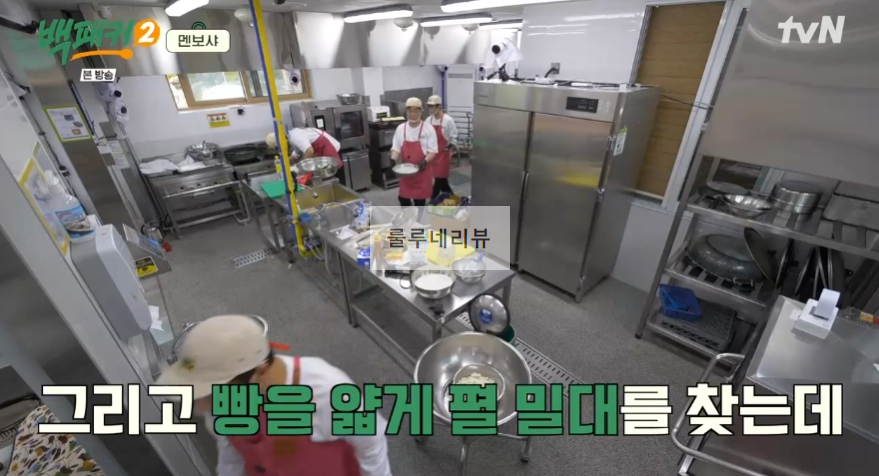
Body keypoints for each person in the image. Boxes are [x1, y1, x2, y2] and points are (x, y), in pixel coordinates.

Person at [157, 315, 392, 476]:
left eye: (210, 394)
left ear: (259, 372)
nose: (202, 406)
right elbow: (231, 452)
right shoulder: (222, 401)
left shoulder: (325, 389)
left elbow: (371, 445)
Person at [390, 97, 438, 207]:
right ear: (406, 112)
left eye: (416, 111)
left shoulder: (428, 129)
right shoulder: (401, 128)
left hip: (422, 173)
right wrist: (393, 159)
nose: (412, 114)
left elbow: (433, 150)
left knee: (419, 202)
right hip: (406, 173)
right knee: (402, 199)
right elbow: (396, 148)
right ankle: (408, 216)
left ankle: (417, 217)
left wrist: (425, 161)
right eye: (410, 111)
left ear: (421, 111)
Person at [266, 127, 345, 184]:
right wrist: (286, 162)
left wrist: (301, 169)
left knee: (336, 176)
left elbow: (309, 151)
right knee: (328, 177)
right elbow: (298, 152)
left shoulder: (295, 137)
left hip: (330, 148)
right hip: (321, 151)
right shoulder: (290, 137)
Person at [425, 95, 458, 199]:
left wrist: (450, 146)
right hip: (432, 155)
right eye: (429, 106)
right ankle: (453, 199)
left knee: (439, 179)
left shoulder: (447, 120)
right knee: (443, 182)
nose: (430, 109)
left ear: (439, 107)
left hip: (443, 155)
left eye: (432, 106)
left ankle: (432, 200)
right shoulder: (428, 120)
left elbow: (454, 136)